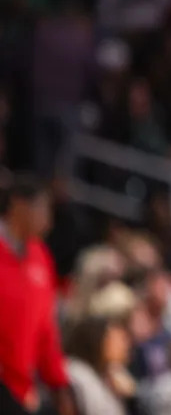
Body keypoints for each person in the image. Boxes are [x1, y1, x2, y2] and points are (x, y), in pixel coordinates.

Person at [0, 173, 76, 415]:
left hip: (23, 392)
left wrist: (59, 386)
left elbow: (46, 330)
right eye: (44, 209)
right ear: (19, 205)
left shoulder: (41, 256)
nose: (49, 222)